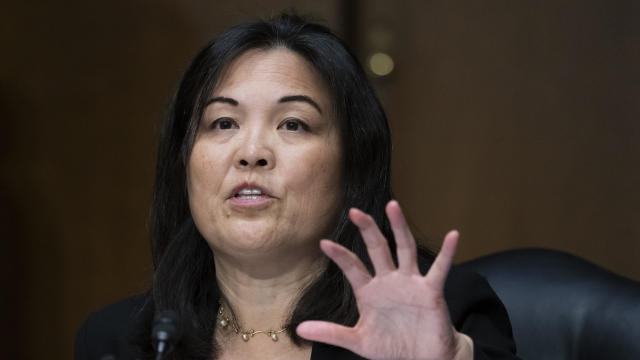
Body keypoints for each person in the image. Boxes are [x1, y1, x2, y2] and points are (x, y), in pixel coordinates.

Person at [75, 13, 519, 360]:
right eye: (223, 122)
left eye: (293, 124)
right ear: (184, 162)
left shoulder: (444, 312)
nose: (252, 152)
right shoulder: (122, 341)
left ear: (353, 163)